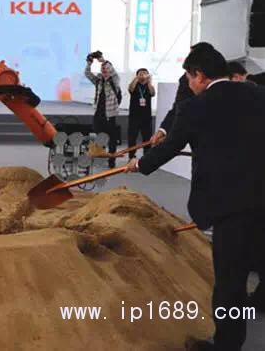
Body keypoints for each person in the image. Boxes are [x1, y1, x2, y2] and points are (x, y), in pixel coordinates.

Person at [126, 46, 265, 350]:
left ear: (199, 75)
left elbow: (170, 147)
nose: (189, 84)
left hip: (230, 207)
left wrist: (139, 164)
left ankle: (227, 345)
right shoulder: (258, 95)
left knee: (230, 283)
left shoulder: (196, 107)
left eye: (189, 78)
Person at [84, 51, 121, 167]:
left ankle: (112, 160)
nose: (104, 70)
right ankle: (101, 155)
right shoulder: (98, 81)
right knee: (99, 135)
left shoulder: (114, 80)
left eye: (106, 69)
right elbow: (87, 74)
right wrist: (89, 63)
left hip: (110, 114)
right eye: (102, 69)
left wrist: (102, 60)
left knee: (112, 139)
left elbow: (113, 71)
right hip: (99, 113)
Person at [126, 68, 155, 159]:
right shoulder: (135, 85)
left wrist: (149, 81)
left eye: (145, 73)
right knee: (132, 137)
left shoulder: (149, 86)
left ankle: (147, 156)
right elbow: (130, 89)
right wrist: (137, 78)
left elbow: (152, 93)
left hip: (146, 117)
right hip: (134, 116)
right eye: (141, 73)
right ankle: (131, 156)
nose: (143, 75)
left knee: (147, 137)